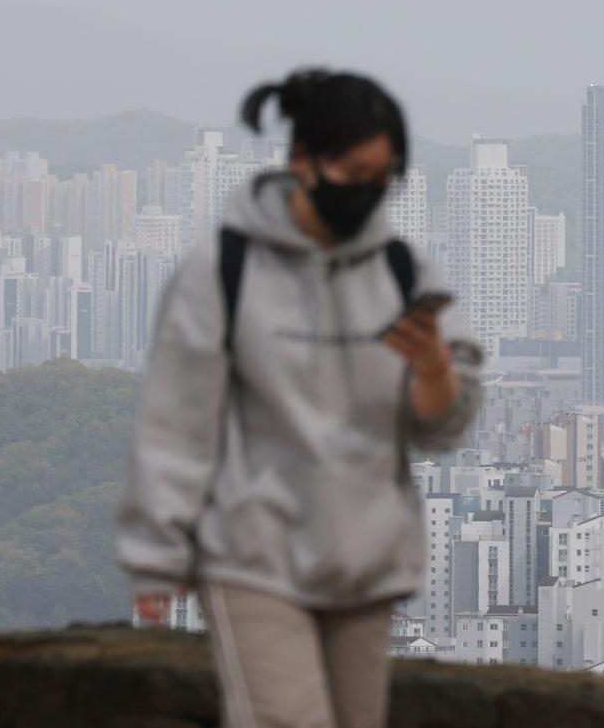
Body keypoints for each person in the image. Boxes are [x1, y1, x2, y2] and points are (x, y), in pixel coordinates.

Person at [116, 68, 483, 728]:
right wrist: (156, 554)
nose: (366, 190)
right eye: (352, 171)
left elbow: (440, 428)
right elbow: (177, 419)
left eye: (383, 174)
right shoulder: (225, 269)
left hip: (365, 560)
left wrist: (433, 369)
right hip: (254, 552)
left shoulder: (403, 272)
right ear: (302, 161)